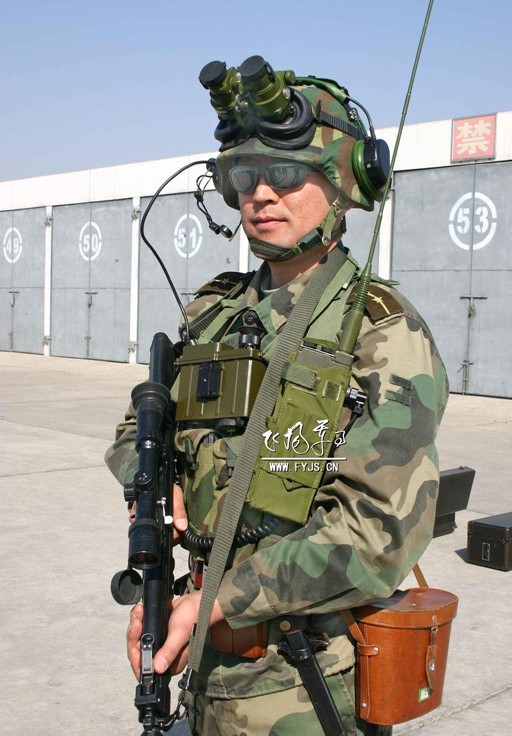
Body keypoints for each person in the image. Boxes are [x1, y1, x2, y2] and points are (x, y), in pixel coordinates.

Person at [106, 59, 449, 736]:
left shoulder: (379, 331)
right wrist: (155, 486)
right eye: (244, 177)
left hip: (306, 686)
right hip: (204, 670)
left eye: (287, 174)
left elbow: (378, 534)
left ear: (345, 183)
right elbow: (133, 430)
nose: (261, 194)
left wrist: (215, 602)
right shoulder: (214, 314)